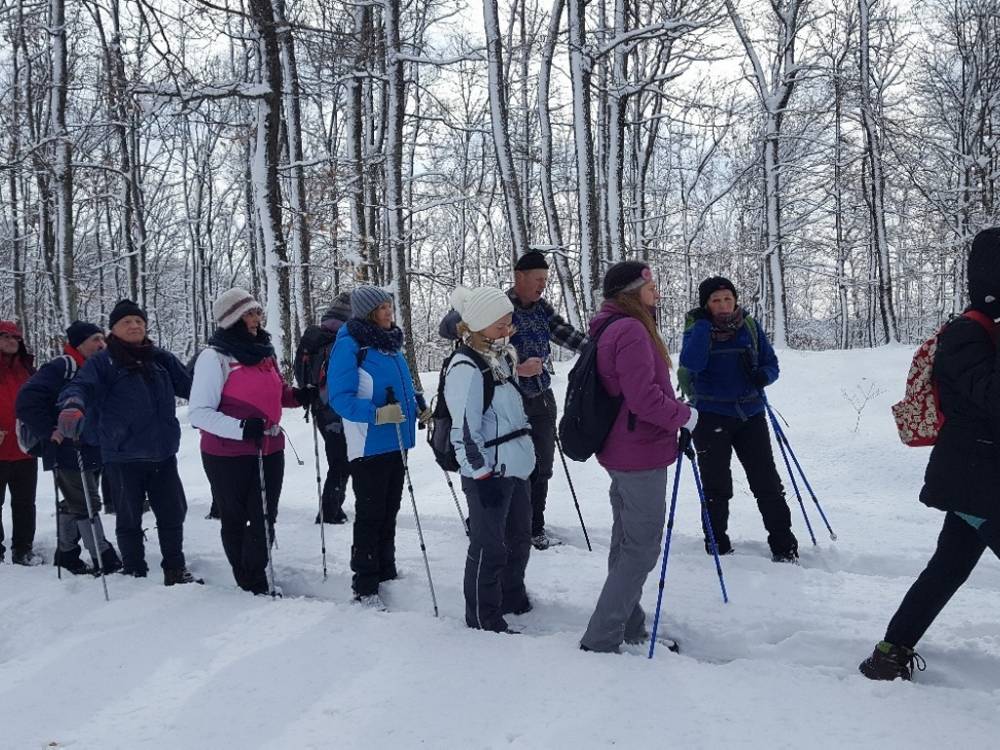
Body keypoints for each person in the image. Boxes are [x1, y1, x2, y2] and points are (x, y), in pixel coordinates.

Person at [860, 228, 1000, 681]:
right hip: (975, 480)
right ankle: (888, 653)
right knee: (947, 568)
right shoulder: (967, 334)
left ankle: (888, 653)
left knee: (947, 569)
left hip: (979, 481)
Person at [579, 262, 695, 654]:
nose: (657, 294)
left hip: (626, 447)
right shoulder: (629, 330)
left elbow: (637, 392)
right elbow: (644, 400)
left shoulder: (616, 326)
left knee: (626, 541)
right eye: (651, 287)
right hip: (638, 451)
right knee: (642, 547)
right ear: (632, 291)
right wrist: (683, 414)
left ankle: (629, 625)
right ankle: (602, 638)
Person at [57, 299, 200, 585]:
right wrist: (72, 404)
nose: (134, 326)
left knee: (172, 514)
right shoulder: (103, 361)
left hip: (162, 452)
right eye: (127, 322)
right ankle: (135, 572)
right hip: (122, 455)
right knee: (128, 518)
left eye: (139, 321)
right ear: (114, 329)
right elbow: (80, 386)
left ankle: (175, 568)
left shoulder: (160, 358)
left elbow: (192, 387)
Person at [189, 289, 311, 595]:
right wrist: (242, 428)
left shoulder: (264, 353)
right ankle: (249, 581)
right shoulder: (214, 357)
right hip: (227, 454)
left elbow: (277, 393)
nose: (257, 319)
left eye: (257, 312)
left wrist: (298, 396)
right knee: (236, 517)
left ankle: (255, 573)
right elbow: (200, 413)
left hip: (270, 448)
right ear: (232, 319)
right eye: (249, 313)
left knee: (265, 516)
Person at [678, 277, 799, 563]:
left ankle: (784, 547)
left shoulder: (750, 326)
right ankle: (716, 543)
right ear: (706, 304)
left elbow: (771, 364)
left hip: (750, 414)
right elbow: (691, 363)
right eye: (715, 300)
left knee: (767, 482)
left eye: (727, 299)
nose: (723, 305)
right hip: (710, 416)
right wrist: (704, 327)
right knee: (717, 485)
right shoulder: (697, 328)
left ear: (735, 299)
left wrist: (763, 376)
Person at [443, 286, 535, 633]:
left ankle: (512, 596)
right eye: (500, 325)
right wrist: (481, 477)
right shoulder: (466, 365)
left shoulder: (501, 356)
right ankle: (484, 616)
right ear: (479, 325)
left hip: (515, 464)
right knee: (489, 546)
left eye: (509, 323)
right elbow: (465, 431)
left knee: (518, 539)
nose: (507, 330)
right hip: (488, 472)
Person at [328, 286, 423, 610]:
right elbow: (340, 399)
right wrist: (377, 414)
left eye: (390, 306)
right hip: (368, 444)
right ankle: (365, 585)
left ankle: (386, 569)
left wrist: (418, 405)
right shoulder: (350, 345)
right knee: (370, 514)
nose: (388, 312)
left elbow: (403, 384)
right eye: (382, 307)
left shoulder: (390, 343)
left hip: (397, 440)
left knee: (390, 510)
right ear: (368, 312)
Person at [15, 321, 122, 575]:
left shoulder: (94, 368)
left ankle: (66, 553)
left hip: (90, 446)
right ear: (78, 344)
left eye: (102, 339)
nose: (101, 344)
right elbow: (26, 400)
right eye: (94, 340)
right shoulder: (63, 366)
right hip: (67, 448)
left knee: (76, 499)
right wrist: (50, 430)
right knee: (86, 500)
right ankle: (102, 556)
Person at [305, 292, 352, 525]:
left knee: (338, 460)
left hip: (319, 409)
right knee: (341, 462)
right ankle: (329, 511)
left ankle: (333, 507)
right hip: (336, 411)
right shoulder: (341, 340)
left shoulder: (316, 337)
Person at [0, 320, 41, 565]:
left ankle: (23, 548)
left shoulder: (28, 369)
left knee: (25, 503)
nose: (11, 341)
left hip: (26, 449)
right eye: (4, 336)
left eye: (14, 337)